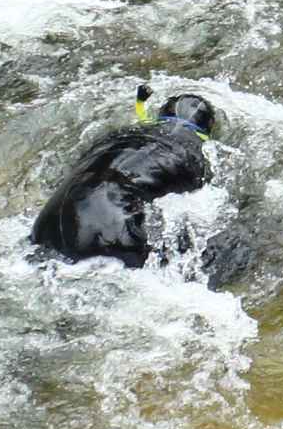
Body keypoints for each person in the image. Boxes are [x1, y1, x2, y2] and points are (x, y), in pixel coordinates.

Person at [29, 86, 250, 283]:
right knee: (236, 239)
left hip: (46, 225)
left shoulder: (118, 134)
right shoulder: (199, 155)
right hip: (112, 233)